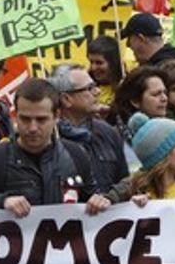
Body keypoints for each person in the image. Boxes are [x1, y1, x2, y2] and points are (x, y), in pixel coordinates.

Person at [0, 77, 112, 219]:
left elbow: (92, 204)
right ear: (15, 116)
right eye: (25, 119)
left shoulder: (76, 156)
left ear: (56, 116)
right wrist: (0, 202)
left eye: (41, 120)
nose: (32, 128)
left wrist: (102, 203)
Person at [50, 63, 128, 194]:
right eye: (90, 88)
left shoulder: (108, 132)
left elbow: (126, 180)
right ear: (66, 99)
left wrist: (113, 196)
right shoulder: (49, 139)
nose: (97, 92)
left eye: (95, 86)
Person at [87, 35, 122, 114]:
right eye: (91, 62)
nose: (93, 68)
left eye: (99, 63)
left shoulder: (126, 86)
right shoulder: (85, 88)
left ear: (113, 62)